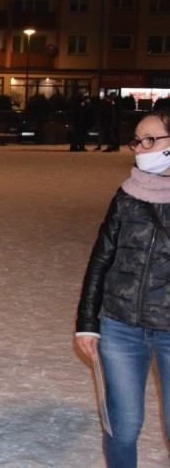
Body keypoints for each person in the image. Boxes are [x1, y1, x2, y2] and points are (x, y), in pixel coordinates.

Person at [76, 110, 170, 467]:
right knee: (122, 426)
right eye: (137, 141)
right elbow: (101, 259)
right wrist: (87, 321)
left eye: (150, 141)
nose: (139, 149)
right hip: (120, 327)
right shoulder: (127, 195)